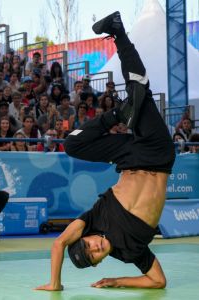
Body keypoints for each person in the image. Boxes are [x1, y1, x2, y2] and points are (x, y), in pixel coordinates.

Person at [36, 12, 175, 291]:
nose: (96, 246)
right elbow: (158, 281)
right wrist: (117, 281)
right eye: (95, 254)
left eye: (89, 244)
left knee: (71, 144)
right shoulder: (129, 253)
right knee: (140, 89)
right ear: (99, 262)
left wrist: (55, 283)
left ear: (86, 237)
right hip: (158, 155)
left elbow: (59, 242)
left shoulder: (92, 221)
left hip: (128, 157)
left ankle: (118, 114)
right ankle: (118, 31)